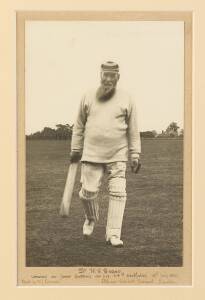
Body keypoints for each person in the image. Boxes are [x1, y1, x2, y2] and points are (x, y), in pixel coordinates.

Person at [70, 61, 141, 247]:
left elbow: (133, 130)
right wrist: (76, 148)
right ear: (100, 75)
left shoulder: (127, 98)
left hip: (117, 154)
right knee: (87, 193)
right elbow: (78, 125)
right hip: (91, 153)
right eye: (105, 75)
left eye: (112, 75)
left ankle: (113, 234)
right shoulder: (87, 96)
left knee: (118, 192)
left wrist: (135, 154)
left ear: (118, 77)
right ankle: (91, 218)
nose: (108, 79)